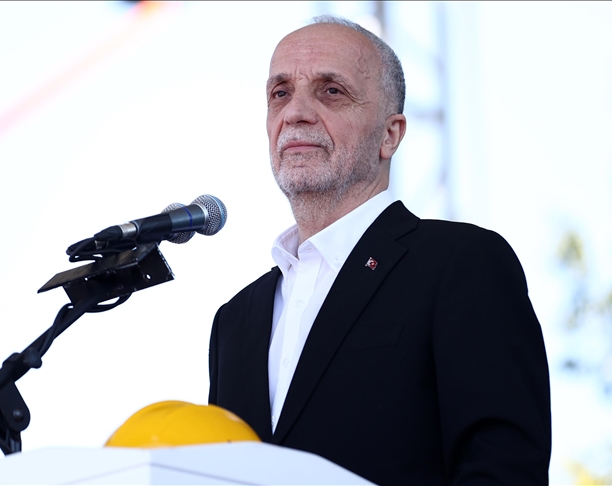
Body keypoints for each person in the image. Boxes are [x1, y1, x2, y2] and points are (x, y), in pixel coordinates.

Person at [208, 15, 551, 485]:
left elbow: (504, 468)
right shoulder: (235, 320)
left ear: (390, 134)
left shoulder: (461, 263)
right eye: (280, 92)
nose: (295, 112)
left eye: (331, 91)